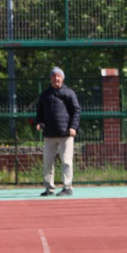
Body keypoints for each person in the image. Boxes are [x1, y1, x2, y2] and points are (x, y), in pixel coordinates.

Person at [35, 66, 81, 197]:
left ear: (63, 78)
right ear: (51, 79)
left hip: (66, 134)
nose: (57, 79)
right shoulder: (44, 95)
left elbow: (76, 111)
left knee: (66, 160)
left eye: (59, 76)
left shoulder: (69, 93)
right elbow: (39, 111)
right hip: (49, 134)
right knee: (48, 161)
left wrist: (73, 127)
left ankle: (67, 187)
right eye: (54, 76)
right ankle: (49, 188)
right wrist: (39, 122)